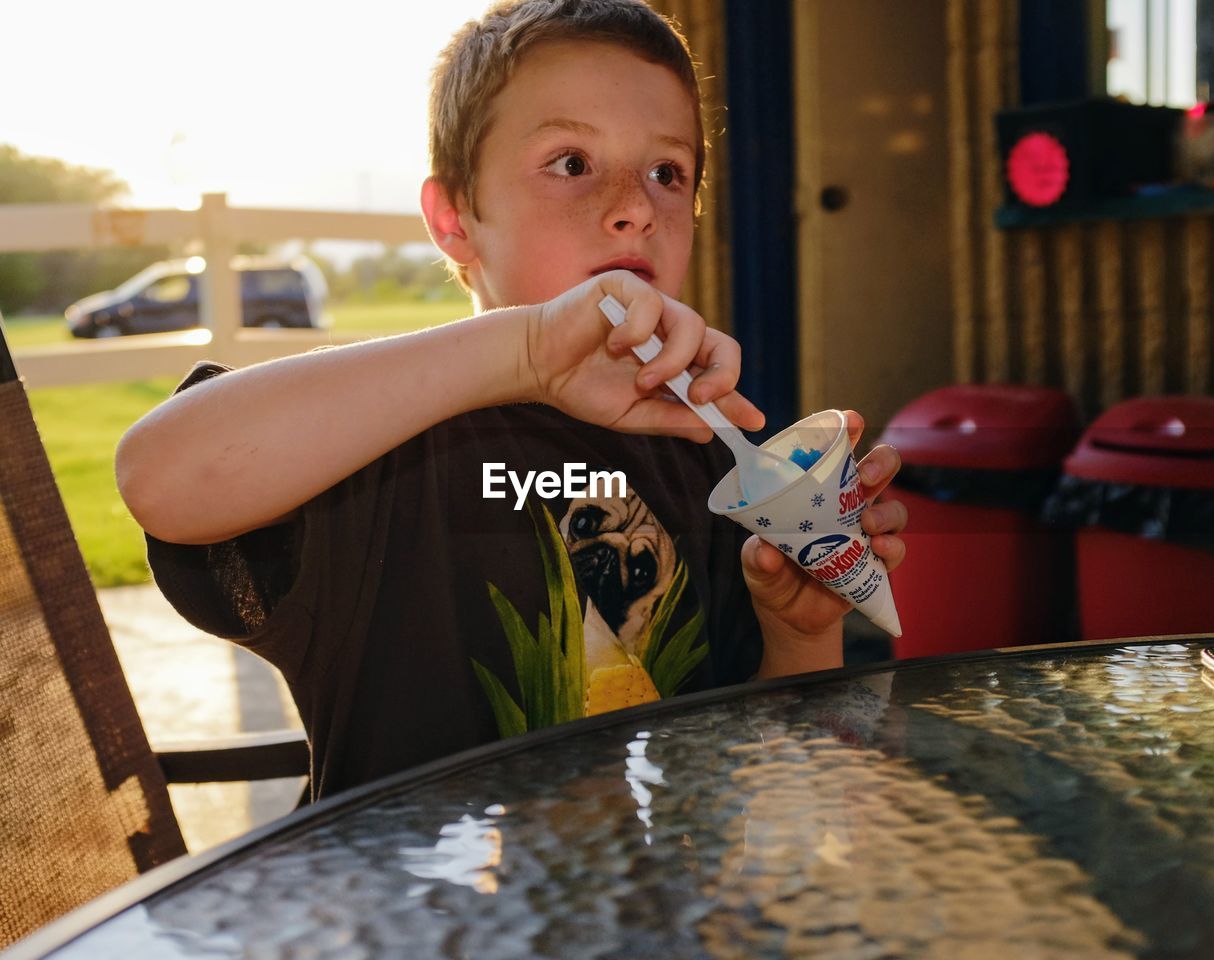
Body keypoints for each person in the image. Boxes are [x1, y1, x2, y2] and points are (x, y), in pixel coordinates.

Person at [116, 0, 907, 799]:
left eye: (669, 173)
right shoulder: (371, 445)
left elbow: (778, 783)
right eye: (571, 163)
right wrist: (528, 350)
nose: (636, 204)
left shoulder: (707, 460)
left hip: (661, 919)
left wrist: (802, 632)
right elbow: (162, 477)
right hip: (416, 918)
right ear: (454, 219)